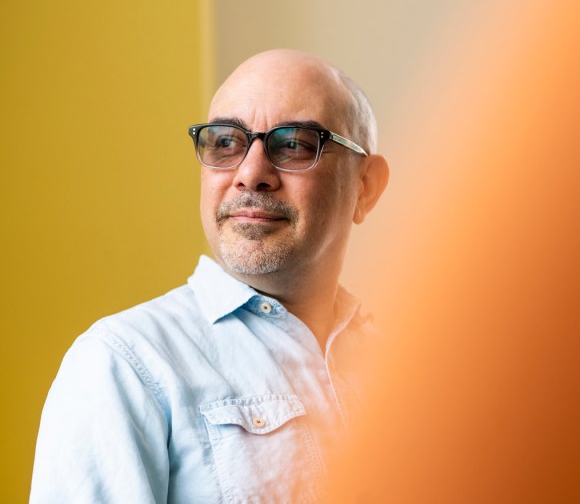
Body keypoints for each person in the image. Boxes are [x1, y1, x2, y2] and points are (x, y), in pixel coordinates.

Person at [30, 49, 390, 503]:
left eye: (293, 143)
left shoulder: (415, 368)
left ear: (365, 187)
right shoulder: (123, 365)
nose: (250, 174)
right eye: (225, 142)